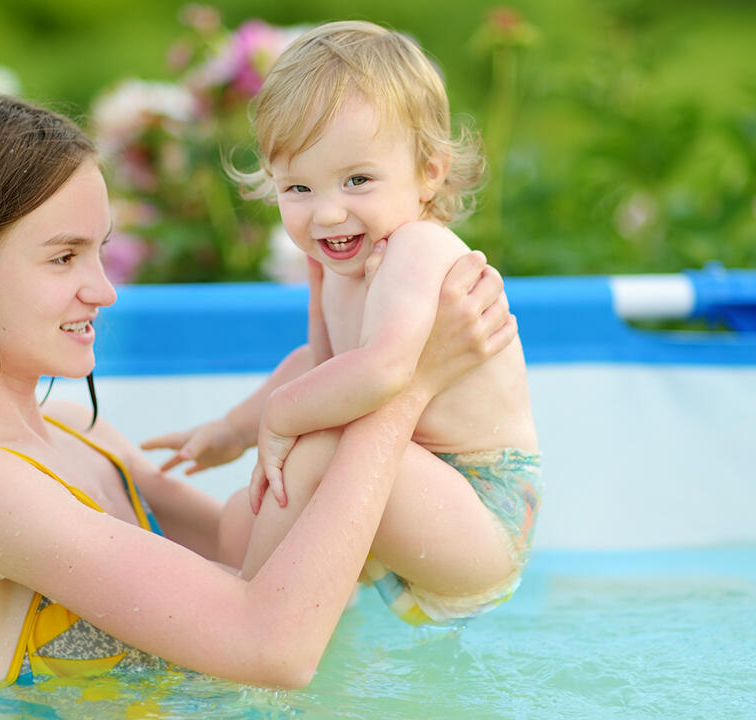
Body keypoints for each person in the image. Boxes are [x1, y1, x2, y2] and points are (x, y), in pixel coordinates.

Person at [0, 92, 515, 693]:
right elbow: (272, 647)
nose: (103, 290)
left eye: (101, 252)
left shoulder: (80, 434)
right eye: (62, 257)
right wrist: (406, 387)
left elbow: (244, 549)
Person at [142, 21, 542, 627]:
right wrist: (233, 430)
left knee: (314, 444)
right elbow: (319, 367)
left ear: (429, 172)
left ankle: (247, 626)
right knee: (240, 518)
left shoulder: (417, 249)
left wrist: (281, 417)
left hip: (479, 511)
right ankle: (236, 604)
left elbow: (382, 370)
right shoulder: (327, 266)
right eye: (298, 186)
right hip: (391, 483)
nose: (328, 212)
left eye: (357, 180)